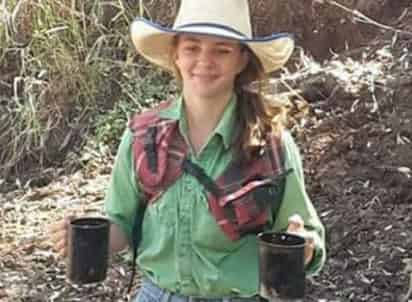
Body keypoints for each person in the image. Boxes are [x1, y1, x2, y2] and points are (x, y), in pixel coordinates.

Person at [50, 0, 326, 301]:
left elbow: (306, 239)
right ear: (176, 56)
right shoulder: (143, 137)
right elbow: (122, 225)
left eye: (222, 50)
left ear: (242, 60)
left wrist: (305, 243)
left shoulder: (269, 144)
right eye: (192, 48)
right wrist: (88, 238)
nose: (204, 61)